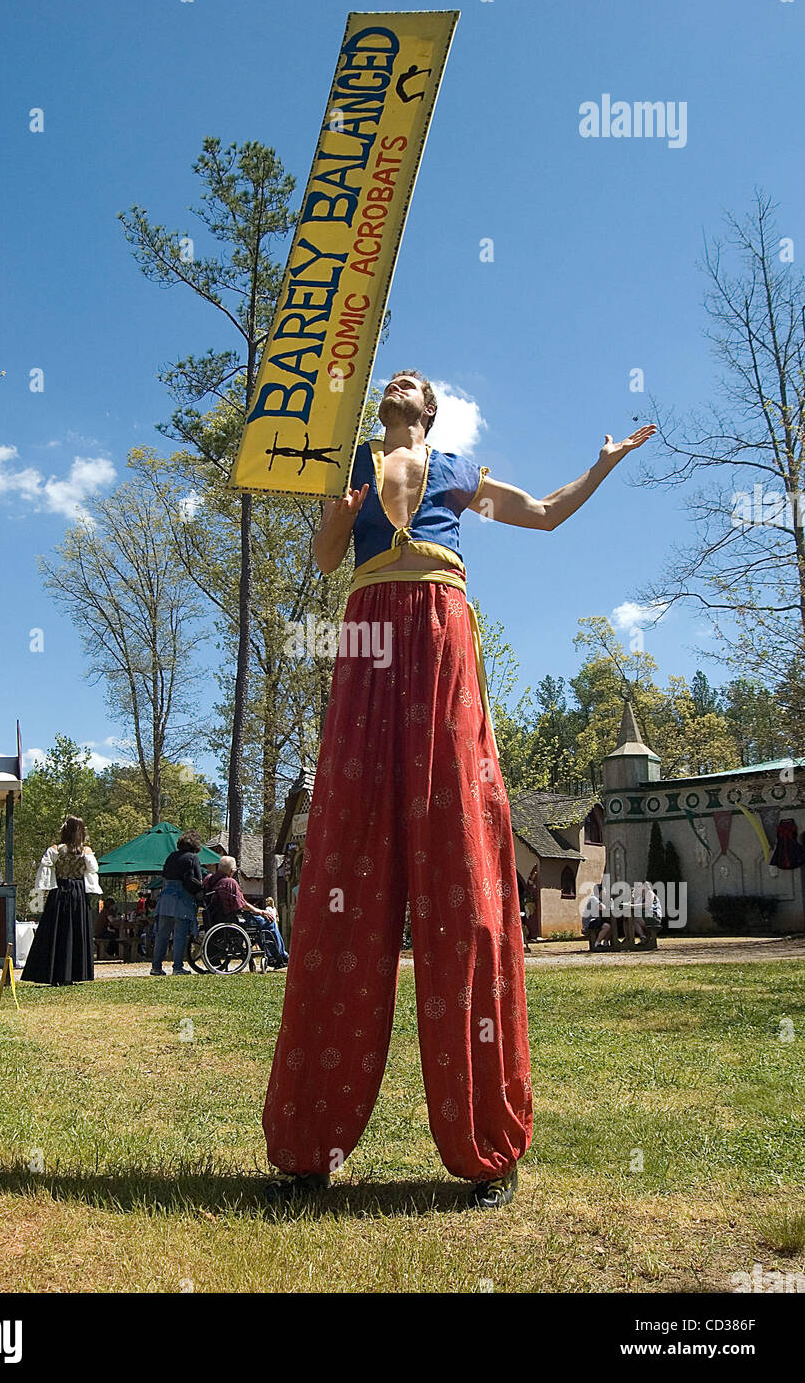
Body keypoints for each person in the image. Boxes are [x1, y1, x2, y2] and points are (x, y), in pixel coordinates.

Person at [263, 369, 655, 1207]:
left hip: (442, 643)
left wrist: (602, 465)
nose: (400, 379)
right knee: (344, 878)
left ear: (430, 410)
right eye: (393, 375)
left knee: (472, 890)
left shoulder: (459, 472)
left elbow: (544, 514)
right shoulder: (356, 466)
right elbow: (330, 558)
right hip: (366, 644)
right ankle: (306, 1150)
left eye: (415, 380)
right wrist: (337, 510)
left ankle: (487, 1147)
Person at [22, 815, 101, 985]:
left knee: (57, 931)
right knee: (75, 930)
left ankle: (54, 973)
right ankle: (74, 973)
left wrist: (43, 889)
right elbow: (93, 869)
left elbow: (45, 871)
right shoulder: (86, 851)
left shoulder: (56, 849)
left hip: (60, 891)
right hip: (78, 893)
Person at [204, 857, 289, 968]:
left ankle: (271, 955)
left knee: (259, 924)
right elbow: (242, 904)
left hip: (215, 918)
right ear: (232, 871)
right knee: (269, 922)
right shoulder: (230, 882)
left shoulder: (209, 880)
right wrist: (260, 911)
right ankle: (281, 956)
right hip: (233, 920)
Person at [150, 832, 204, 977]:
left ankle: (156, 967)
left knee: (162, 935)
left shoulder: (171, 856)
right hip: (182, 900)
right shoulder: (193, 858)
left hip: (166, 898)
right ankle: (177, 967)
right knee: (180, 935)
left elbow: (164, 877)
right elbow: (198, 880)